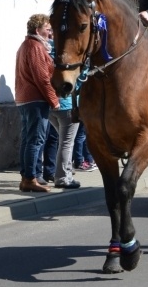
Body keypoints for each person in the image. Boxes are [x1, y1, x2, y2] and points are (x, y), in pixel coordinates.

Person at [15, 14, 58, 193]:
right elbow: (42, 78)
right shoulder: (35, 47)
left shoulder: (27, 45)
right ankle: (30, 179)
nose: (50, 32)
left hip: (26, 99)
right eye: (47, 29)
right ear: (36, 30)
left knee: (28, 139)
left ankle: (27, 175)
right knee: (35, 140)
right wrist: (54, 101)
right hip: (36, 99)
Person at [47, 39, 81, 189]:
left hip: (51, 105)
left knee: (64, 141)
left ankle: (66, 173)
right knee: (66, 142)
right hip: (68, 105)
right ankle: (62, 177)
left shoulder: (48, 53)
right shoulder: (70, 57)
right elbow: (78, 80)